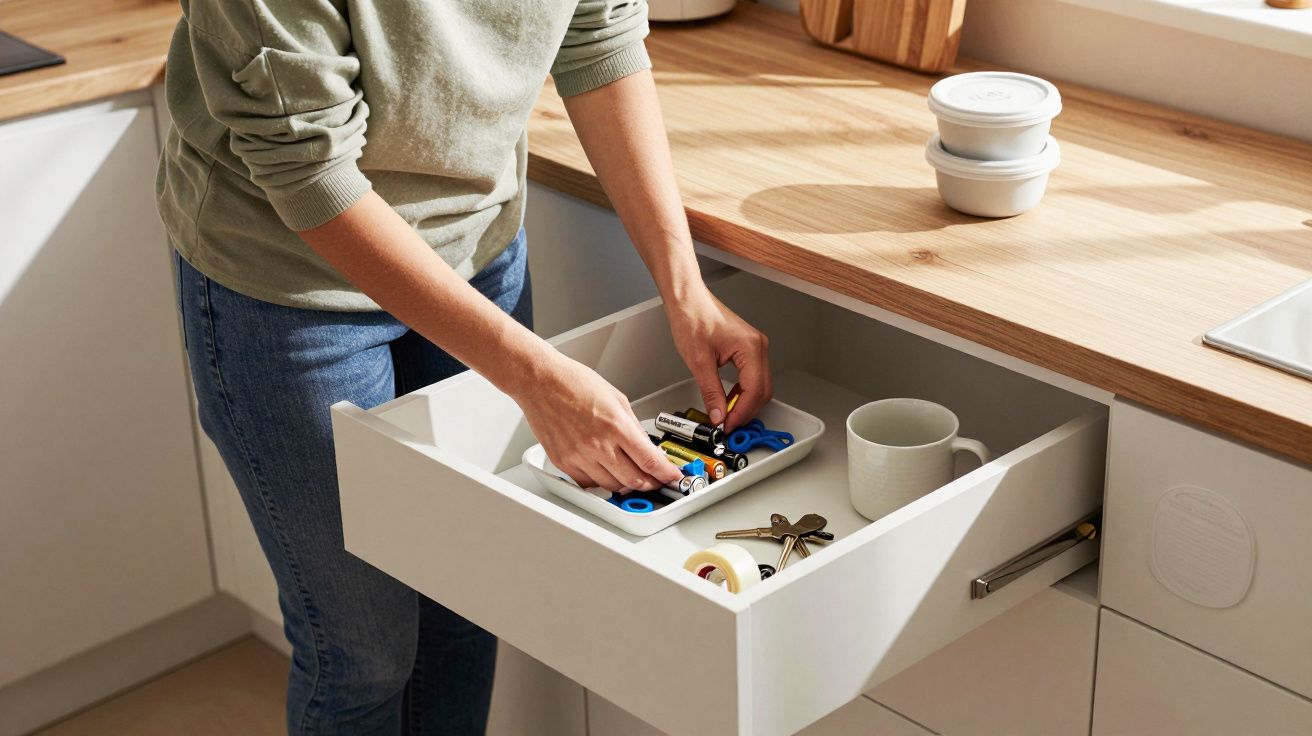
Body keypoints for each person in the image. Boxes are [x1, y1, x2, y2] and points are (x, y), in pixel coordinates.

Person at [156, 1, 772, 733]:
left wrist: (685, 288)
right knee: (364, 654)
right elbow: (308, 168)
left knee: (468, 607)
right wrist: (536, 379)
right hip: (290, 288)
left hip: (479, 255)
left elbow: (597, 32)